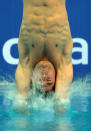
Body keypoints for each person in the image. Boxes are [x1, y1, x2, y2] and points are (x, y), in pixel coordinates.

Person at [15, 0, 73, 107]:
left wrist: (22, 101)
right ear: (56, 80)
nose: (44, 76)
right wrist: (60, 101)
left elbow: (20, 102)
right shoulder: (62, 59)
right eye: (48, 82)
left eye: (40, 80)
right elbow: (61, 103)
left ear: (32, 79)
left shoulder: (27, 59)